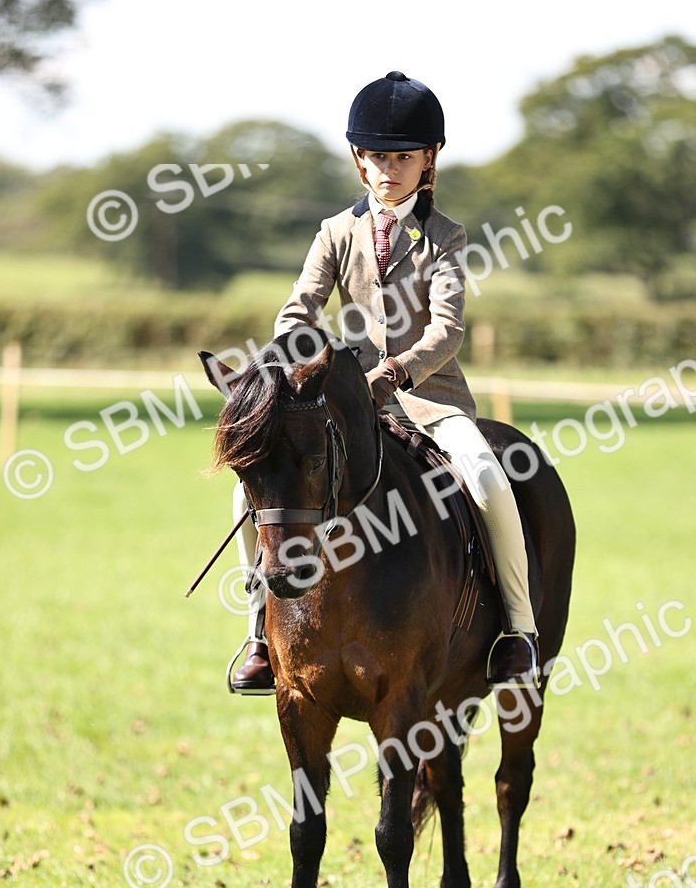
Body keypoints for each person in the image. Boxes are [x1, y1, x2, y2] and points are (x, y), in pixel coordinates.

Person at [228, 70, 538, 695]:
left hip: (430, 401)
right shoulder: (334, 232)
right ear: (358, 160)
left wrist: (394, 372)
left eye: (403, 158)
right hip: (345, 406)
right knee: (248, 492)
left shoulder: (445, 237)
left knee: (487, 479)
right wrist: (294, 369)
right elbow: (297, 312)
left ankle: (518, 629)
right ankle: (260, 631)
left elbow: (447, 332)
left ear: (430, 160)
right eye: (376, 157)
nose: (388, 170)